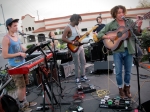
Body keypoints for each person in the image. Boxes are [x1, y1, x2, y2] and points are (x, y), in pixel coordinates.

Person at [97, 5, 142, 98]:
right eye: (119, 13)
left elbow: (137, 33)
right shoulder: (111, 24)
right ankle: (120, 89)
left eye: (122, 12)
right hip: (117, 50)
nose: (121, 14)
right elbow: (99, 34)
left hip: (129, 49)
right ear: (115, 14)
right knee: (118, 72)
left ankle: (127, 88)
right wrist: (109, 37)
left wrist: (139, 26)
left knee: (128, 71)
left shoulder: (129, 22)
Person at [2, 18, 37, 112]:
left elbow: (22, 48)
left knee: (25, 85)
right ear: (9, 27)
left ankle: (25, 102)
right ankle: (22, 106)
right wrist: (19, 54)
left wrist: (33, 48)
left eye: (17, 25)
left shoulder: (16, 36)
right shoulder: (6, 39)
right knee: (20, 86)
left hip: (22, 64)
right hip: (14, 66)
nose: (16, 27)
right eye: (14, 26)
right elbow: (4, 55)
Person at [62, 14, 89, 84]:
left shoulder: (76, 27)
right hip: (74, 48)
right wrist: (73, 42)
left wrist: (85, 34)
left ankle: (83, 76)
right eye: (78, 20)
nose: (79, 22)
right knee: (77, 63)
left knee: (83, 62)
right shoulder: (68, 28)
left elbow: (78, 36)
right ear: (74, 19)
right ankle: (77, 77)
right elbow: (63, 38)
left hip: (80, 47)